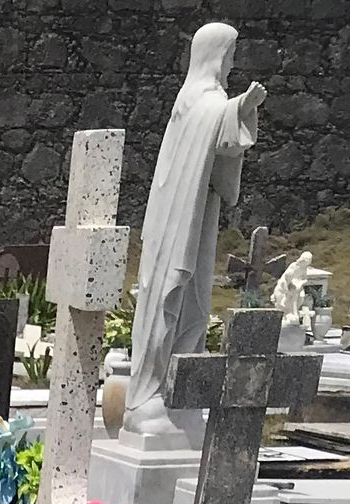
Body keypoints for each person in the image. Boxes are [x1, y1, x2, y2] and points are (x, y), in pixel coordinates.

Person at [124, 23, 266, 438]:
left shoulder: (212, 100)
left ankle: (178, 393)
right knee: (166, 296)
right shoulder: (196, 98)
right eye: (231, 53)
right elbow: (211, 123)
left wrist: (239, 108)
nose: (233, 61)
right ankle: (144, 396)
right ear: (216, 55)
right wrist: (240, 107)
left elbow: (223, 147)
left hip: (199, 213)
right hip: (175, 218)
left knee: (195, 301)